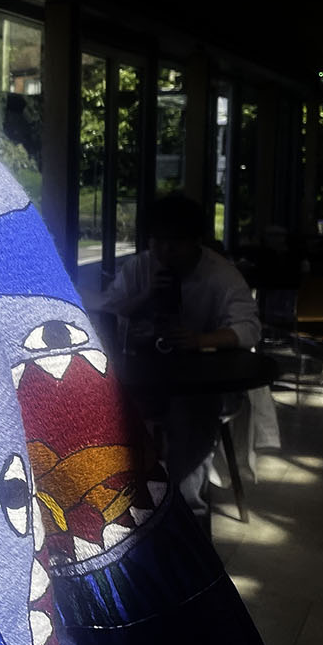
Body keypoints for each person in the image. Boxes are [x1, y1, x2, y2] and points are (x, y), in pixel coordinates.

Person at [88, 193, 264, 515]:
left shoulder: (220, 275)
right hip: (144, 373)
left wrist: (199, 340)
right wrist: (145, 296)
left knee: (192, 417)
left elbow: (249, 328)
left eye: (175, 243)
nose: (165, 251)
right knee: (109, 409)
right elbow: (107, 308)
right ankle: (127, 500)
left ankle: (184, 508)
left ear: (196, 241)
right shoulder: (141, 267)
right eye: (158, 241)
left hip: (203, 381)